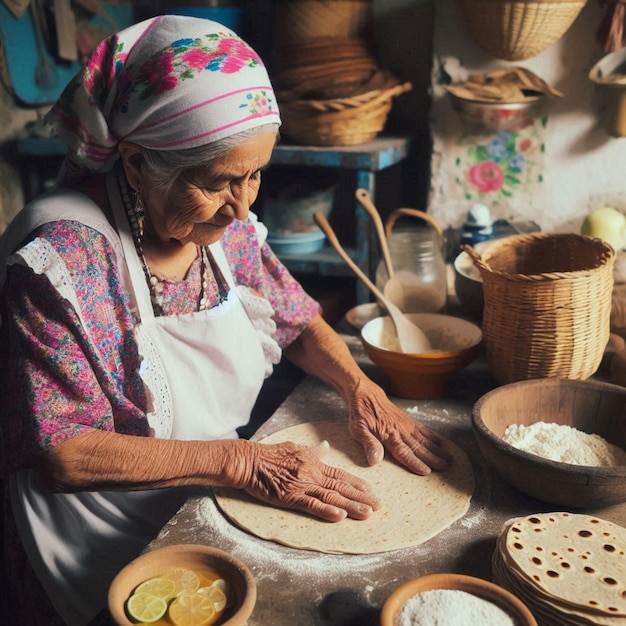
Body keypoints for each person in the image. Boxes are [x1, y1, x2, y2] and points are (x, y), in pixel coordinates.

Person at [0, 15, 450, 625]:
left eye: (256, 173)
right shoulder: (62, 262)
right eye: (219, 182)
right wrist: (242, 463)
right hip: (96, 535)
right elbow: (64, 453)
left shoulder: (221, 225)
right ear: (135, 164)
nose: (244, 205)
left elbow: (294, 318)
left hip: (203, 499)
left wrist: (359, 387)